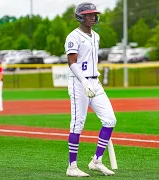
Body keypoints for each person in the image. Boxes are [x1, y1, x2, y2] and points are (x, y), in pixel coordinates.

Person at [64, 2, 117, 177]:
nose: (92, 17)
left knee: (110, 120)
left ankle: (96, 161)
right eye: (88, 14)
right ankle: (72, 167)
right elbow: (72, 63)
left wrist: (91, 81)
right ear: (80, 16)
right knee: (77, 123)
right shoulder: (73, 36)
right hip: (79, 83)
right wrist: (84, 82)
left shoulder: (96, 36)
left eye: (94, 14)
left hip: (95, 82)